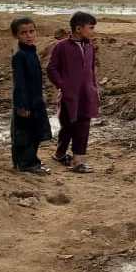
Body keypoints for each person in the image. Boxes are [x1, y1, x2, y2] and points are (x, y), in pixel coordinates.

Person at [47, 11, 100, 174]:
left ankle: (78, 161)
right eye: (90, 28)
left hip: (87, 95)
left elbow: (91, 70)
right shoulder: (61, 47)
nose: (92, 31)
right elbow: (52, 68)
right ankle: (60, 154)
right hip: (69, 97)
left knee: (83, 126)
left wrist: (94, 88)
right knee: (68, 126)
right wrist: (63, 85)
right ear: (78, 28)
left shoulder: (90, 46)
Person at [10, 17, 52, 176]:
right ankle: (27, 164)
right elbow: (19, 84)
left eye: (31, 31)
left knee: (35, 132)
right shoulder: (19, 55)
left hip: (35, 100)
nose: (28, 35)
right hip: (26, 102)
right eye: (23, 33)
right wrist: (21, 105)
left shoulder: (31, 51)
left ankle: (29, 162)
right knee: (24, 135)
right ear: (16, 36)